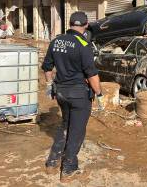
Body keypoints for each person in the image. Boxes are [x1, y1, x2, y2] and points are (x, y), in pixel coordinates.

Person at [42, 11, 105, 183]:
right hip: (78, 95)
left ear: (69, 24)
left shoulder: (56, 41)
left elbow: (47, 67)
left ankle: (52, 162)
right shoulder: (83, 44)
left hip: (61, 93)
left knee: (65, 125)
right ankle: (69, 169)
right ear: (85, 26)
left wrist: (49, 86)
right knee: (76, 132)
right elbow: (91, 74)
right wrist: (99, 94)